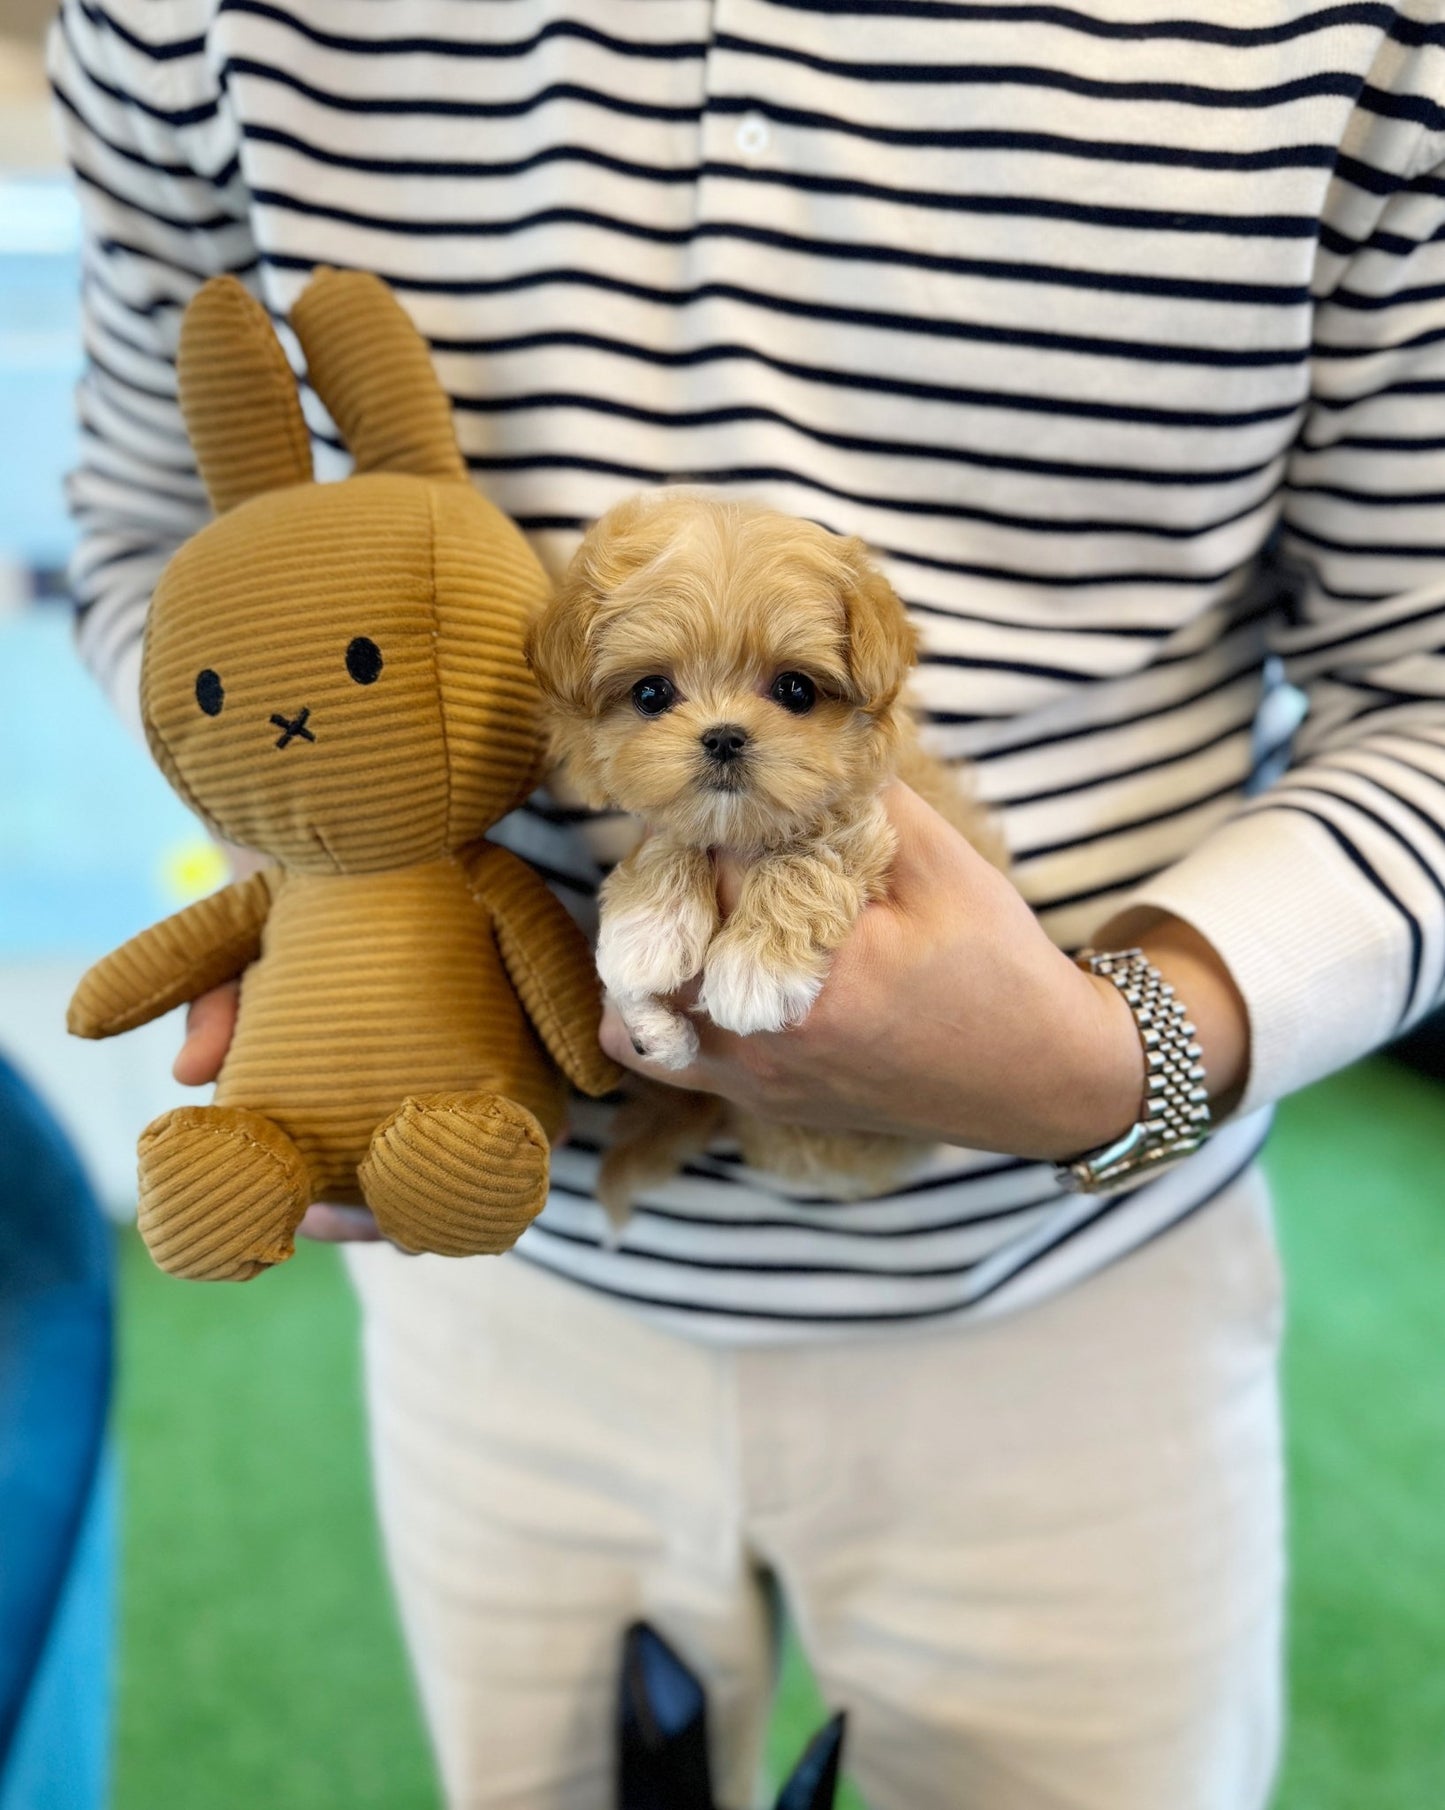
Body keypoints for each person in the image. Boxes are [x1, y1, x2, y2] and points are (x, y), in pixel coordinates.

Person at [48, 5, 1445, 1806]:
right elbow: (154, 535)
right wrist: (317, 861)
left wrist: (1130, 1052)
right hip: (504, 1253)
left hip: (1068, 1290)